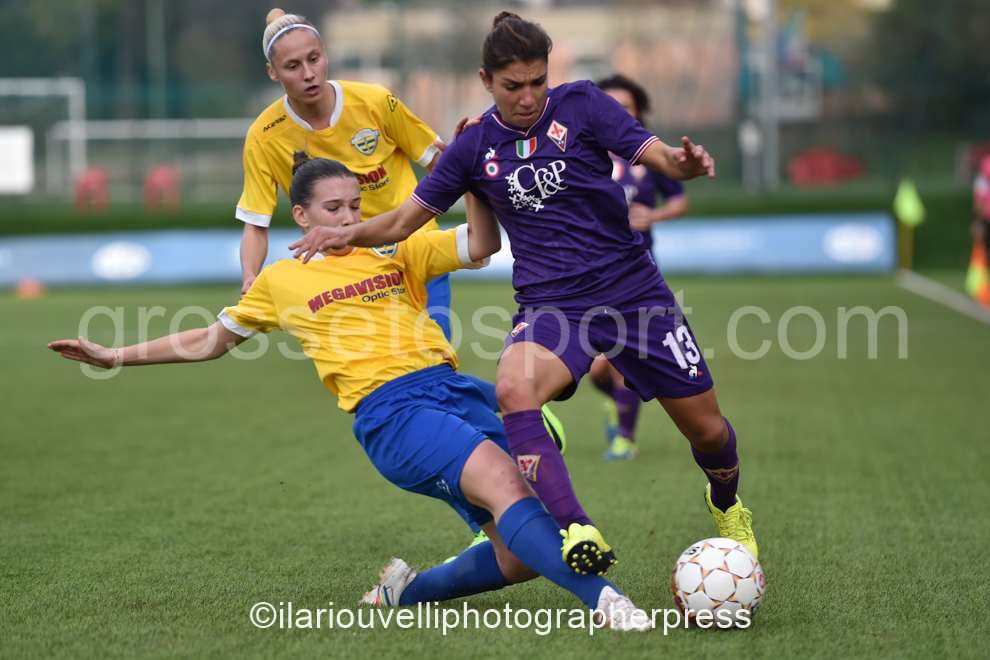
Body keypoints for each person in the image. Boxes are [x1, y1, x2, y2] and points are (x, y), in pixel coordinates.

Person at [48, 156, 651, 631]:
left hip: (452, 390)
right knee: (506, 484)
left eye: (355, 206)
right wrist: (115, 355)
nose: (347, 218)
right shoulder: (281, 281)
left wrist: (472, 179)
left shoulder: (391, 246)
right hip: (393, 413)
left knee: (517, 559)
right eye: (333, 208)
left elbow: (480, 244)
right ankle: (608, 603)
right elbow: (210, 339)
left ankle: (402, 593)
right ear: (301, 215)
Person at [289, 12, 759, 573]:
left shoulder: (582, 104)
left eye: (538, 81)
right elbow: (401, 222)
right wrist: (345, 233)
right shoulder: (472, 148)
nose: (529, 96)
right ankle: (576, 528)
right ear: (486, 80)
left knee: (708, 431)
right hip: (553, 306)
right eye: (514, 85)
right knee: (514, 388)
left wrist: (682, 164)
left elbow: (656, 154)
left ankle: (727, 504)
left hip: (633, 292)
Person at [238, 8, 566, 555]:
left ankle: (511, 429)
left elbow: (440, 159)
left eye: (315, 58)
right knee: (413, 388)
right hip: (346, 275)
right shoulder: (265, 136)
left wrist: (480, 187)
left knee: (430, 367)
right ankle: (493, 491)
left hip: (406, 257)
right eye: (293, 66)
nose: (309, 72)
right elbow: (255, 221)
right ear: (275, 73)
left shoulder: (374, 102)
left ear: (326, 56)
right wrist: (251, 275)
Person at [589, 74, 689, 461]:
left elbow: (679, 199)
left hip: (637, 275)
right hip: (588, 275)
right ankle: (617, 404)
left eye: (626, 107)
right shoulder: (581, 154)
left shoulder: (650, 153)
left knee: (622, 359)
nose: (618, 113)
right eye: (610, 105)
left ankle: (624, 439)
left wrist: (655, 215)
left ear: (638, 112)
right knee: (598, 371)